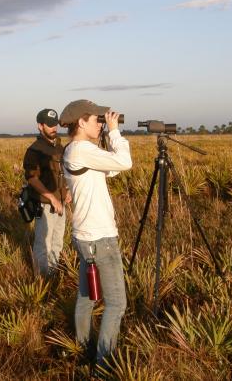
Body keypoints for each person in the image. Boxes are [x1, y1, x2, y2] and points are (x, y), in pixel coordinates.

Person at [59, 99, 132, 365]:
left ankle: (82, 348)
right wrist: (114, 131)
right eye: (97, 120)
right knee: (116, 304)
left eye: (103, 120)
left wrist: (107, 135)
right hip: (100, 238)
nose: (101, 123)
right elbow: (124, 163)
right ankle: (104, 364)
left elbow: (110, 168)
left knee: (87, 297)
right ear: (81, 122)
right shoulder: (81, 149)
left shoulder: (75, 150)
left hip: (85, 236)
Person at [22, 108, 71, 278]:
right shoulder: (34, 150)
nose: (53, 128)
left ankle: (53, 273)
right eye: (49, 125)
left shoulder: (60, 147)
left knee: (57, 241)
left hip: (61, 203)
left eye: (55, 124)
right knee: (43, 243)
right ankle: (42, 278)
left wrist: (67, 191)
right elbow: (31, 178)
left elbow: (65, 172)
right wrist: (51, 197)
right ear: (40, 126)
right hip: (44, 204)